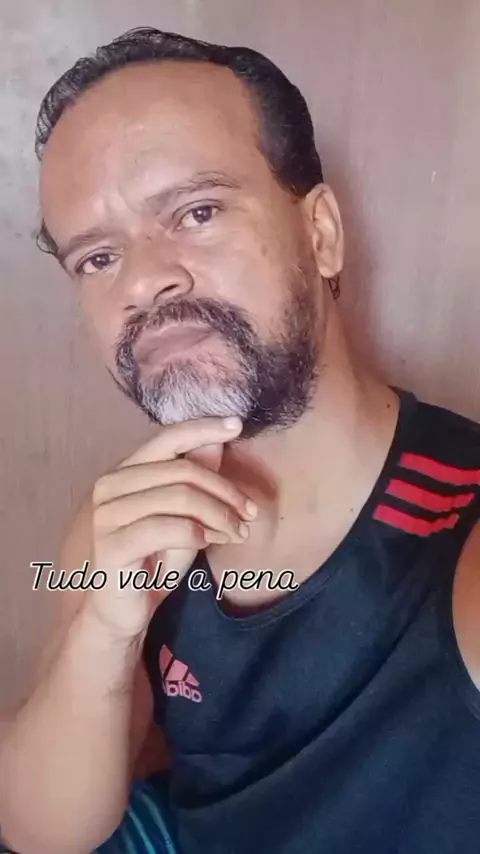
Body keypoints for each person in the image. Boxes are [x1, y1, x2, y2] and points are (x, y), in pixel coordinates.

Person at [1, 25, 480, 854]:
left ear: (321, 234)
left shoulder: (460, 532)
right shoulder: (126, 523)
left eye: (197, 212)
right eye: (98, 258)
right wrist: (105, 632)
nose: (145, 280)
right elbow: (38, 832)